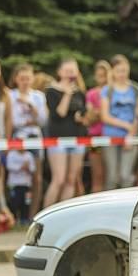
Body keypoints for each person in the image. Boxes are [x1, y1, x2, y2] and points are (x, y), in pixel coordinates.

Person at [43, 59, 87, 208]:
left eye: (73, 71)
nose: (70, 75)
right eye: (67, 71)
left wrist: (81, 117)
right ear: (60, 72)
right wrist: (67, 95)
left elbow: (83, 112)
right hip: (58, 140)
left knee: (70, 179)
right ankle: (45, 215)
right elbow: (59, 113)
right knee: (59, 179)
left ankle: (61, 213)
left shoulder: (79, 92)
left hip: (77, 139)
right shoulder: (51, 91)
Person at [8, 63, 48, 217]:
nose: (25, 81)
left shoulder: (38, 96)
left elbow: (43, 120)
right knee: (15, 174)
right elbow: (12, 120)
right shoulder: (10, 95)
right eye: (22, 78)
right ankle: (16, 213)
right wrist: (27, 122)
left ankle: (33, 214)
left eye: (28, 78)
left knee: (36, 176)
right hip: (17, 137)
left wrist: (34, 110)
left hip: (34, 137)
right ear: (16, 79)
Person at [101, 54, 138, 190]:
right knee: (112, 176)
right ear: (112, 72)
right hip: (111, 136)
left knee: (126, 176)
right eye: (119, 71)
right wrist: (126, 125)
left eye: (124, 70)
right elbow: (105, 116)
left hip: (131, 136)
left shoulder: (137, 90)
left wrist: (130, 134)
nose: (122, 74)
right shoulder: (107, 90)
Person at [85, 60, 111, 193]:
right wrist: (101, 112)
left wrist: (98, 111)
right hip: (95, 137)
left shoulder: (113, 92)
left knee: (110, 174)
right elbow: (90, 118)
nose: (101, 78)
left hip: (111, 136)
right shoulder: (91, 94)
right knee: (97, 174)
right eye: (99, 75)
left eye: (104, 75)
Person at [6, 147, 36, 223]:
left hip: (26, 185)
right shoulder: (11, 154)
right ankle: (14, 220)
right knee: (14, 203)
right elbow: (9, 166)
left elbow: (33, 169)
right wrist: (21, 167)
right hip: (15, 185)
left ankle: (24, 220)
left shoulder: (29, 155)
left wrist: (28, 167)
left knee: (26, 203)